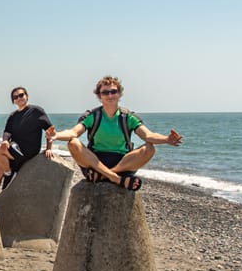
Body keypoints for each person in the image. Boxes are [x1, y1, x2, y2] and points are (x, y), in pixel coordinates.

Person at [47, 75, 182, 191]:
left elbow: (147, 136)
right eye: (105, 93)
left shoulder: (127, 117)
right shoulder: (93, 115)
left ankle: (105, 175)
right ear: (100, 96)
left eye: (113, 91)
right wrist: (56, 135)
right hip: (95, 161)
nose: (110, 95)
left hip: (122, 162)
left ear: (119, 94)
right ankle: (116, 179)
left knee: (149, 148)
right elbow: (73, 132)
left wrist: (166, 139)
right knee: (73, 143)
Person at [0, 86, 55, 193]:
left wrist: (49, 148)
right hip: (14, 148)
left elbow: (50, 130)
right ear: (13, 101)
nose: (19, 98)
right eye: (16, 97)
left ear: (27, 96)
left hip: (28, 150)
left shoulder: (36, 111)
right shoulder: (13, 116)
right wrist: (5, 140)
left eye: (21, 95)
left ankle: (8, 172)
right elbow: (7, 132)